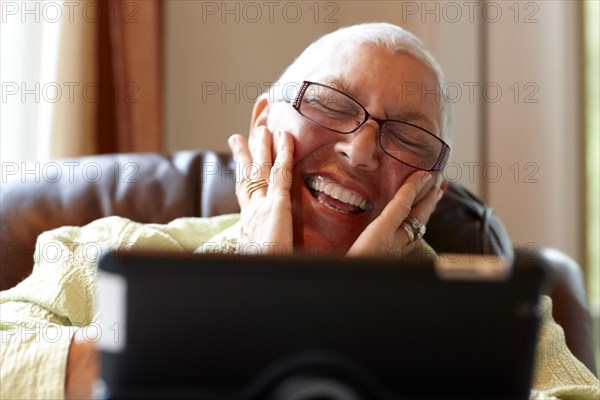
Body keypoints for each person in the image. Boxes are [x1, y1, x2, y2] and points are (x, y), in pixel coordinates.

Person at [1, 23, 598, 400]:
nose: (360, 149)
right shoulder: (97, 254)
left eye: (409, 139)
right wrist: (245, 297)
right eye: (333, 104)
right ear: (263, 124)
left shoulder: (501, 319)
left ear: (431, 193)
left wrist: (361, 315)